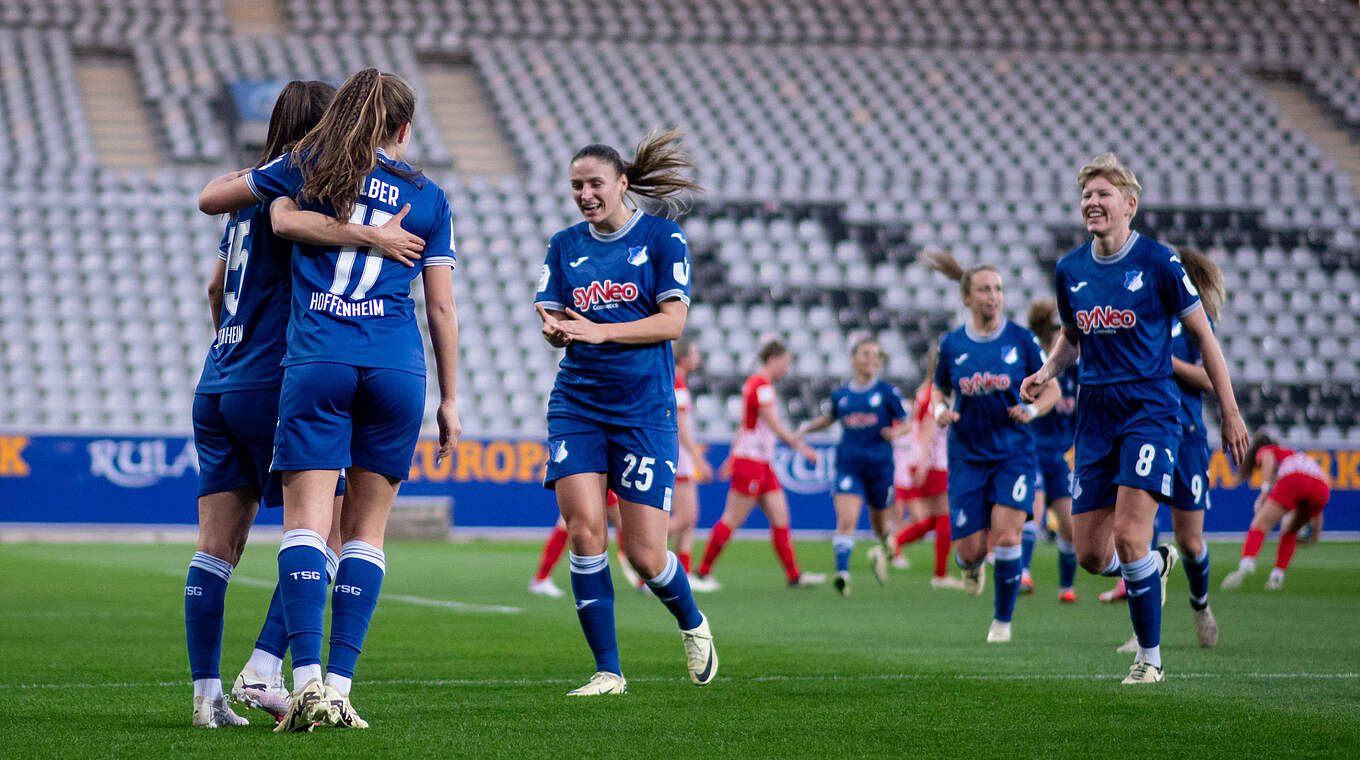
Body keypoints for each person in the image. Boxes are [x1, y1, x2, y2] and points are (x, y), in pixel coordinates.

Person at [199, 68, 460, 728]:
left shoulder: (312, 168)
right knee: (363, 535)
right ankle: (336, 688)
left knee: (307, 529)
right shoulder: (430, 197)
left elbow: (267, 215)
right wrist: (451, 399)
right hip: (398, 367)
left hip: (317, 360)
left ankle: (301, 677)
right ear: (404, 128)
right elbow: (442, 308)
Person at [1020, 153, 1249, 684]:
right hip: (1095, 415)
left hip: (1149, 408)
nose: (1091, 203)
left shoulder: (1160, 263)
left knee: (1128, 535)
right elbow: (1074, 337)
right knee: (1091, 555)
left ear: (1130, 204)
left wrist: (1230, 412)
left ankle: (1151, 660)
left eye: (1102, 195)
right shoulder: (1070, 270)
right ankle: (1156, 562)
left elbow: (1205, 339)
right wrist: (1046, 370)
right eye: (1086, 196)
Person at [533, 130, 715, 696]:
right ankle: (607, 671)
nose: (584, 194)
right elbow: (550, 307)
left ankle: (692, 621)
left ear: (622, 184)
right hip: (577, 404)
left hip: (643, 412)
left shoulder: (664, 238)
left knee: (644, 554)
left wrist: (600, 331)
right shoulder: (564, 245)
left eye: (593, 184)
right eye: (575, 186)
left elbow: (672, 323)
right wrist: (554, 326)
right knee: (584, 530)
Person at [184, 79, 339, 730]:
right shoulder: (301, 186)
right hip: (270, 380)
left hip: (216, 378)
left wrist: (230, 340)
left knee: (216, 549)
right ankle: (267, 665)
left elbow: (216, 285)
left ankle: (205, 697)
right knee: (328, 526)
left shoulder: (245, 198)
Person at [926, 251, 1060, 643]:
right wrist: (938, 409)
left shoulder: (1022, 340)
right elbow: (939, 388)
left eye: (998, 289)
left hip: (1013, 454)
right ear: (967, 297)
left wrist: (1032, 410)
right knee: (970, 549)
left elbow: (1050, 387)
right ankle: (969, 565)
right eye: (985, 289)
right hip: (967, 455)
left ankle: (1002, 621)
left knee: (1006, 537)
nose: (993, 296)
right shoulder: (952, 345)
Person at [695, 339, 827, 589]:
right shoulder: (761, 386)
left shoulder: (756, 384)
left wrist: (731, 457)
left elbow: (746, 425)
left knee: (780, 516)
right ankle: (701, 572)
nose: (787, 368)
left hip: (761, 462)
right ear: (774, 360)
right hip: (752, 462)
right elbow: (773, 425)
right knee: (732, 518)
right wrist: (802, 448)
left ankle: (793, 575)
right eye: (785, 363)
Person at [798, 336, 907, 595]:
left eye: (876, 355)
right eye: (866, 354)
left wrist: (896, 433)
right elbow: (830, 418)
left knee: (879, 525)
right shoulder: (842, 395)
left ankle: (886, 544)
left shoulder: (886, 393)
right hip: (849, 465)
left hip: (880, 467)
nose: (872, 360)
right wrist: (805, 429)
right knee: (846, 519)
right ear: (853, 359)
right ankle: (842, 574)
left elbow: (907, 422)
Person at [889, 344, 964, 589]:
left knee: (934, 520)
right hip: (934, 462)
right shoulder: (935, 392)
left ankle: (893, 544)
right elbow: (927, 431)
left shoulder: (926, 390)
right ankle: (940, 575)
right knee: (945, 517)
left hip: (929, 460)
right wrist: (922, 463)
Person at [1023, 298, 1080, 603]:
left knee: (1070, 526)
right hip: (1030, 451)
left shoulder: (1076, 375)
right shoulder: (1036, 367)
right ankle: (1022, 573)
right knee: (1033, 512)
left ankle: (1066, 588)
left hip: (1057, 456)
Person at [1221, 433, 1330, 591]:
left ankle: (1247, 563)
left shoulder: (1269, 449)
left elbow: (1267, 458)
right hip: (1322, 488)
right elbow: (1315, 494)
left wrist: (1265, 490)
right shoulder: (1296, 455)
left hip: (1294, 479)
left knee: (1259, 525)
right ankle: (1277, 577)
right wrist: (1314, 536)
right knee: (1290, 532)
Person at [529, 491, 644, 597]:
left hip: (582, 476)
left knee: (566, 523)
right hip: (593, 478)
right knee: (625, 524)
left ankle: (541, 578)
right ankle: (644, 579)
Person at [670, 335, 718, 590]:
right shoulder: (676, 382)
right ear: (686, 357)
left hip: (682, 457)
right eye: (696, 354)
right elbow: (680, 429)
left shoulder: (680, 382)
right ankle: (643, 547)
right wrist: (700, 460)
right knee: (685, 517)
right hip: (678, 457)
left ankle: (683, 574)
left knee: (689, 518)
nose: (698, 359)